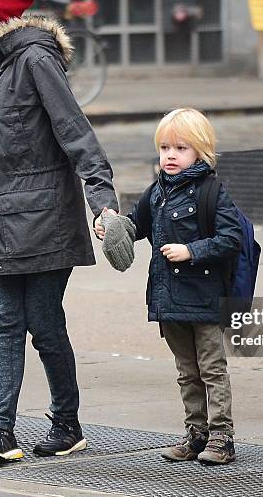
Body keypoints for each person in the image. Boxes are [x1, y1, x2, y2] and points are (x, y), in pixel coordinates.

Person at [0, 0, 118, 465]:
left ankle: (66, 424)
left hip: (47, 220)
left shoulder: (35, 60)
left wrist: (103, 202)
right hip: (4, 225)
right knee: (7, 322)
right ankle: (1, 432)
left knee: (44, 324)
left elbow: (76, 132)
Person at [96, 108, 241, 464]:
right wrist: (115, 228)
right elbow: (136, 225)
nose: (170, 156)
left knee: (211, 369)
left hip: (204, 298)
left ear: (200, 152)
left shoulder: (211, 191)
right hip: (169, 299)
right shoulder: (157, 190)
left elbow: (230, 238)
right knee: (186, 372)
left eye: (180, 148)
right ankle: (196, 432)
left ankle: (222, 436)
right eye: (164, 148)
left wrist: (191, 250)